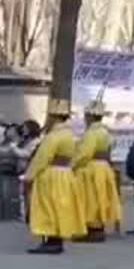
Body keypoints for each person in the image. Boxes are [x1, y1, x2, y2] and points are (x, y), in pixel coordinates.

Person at [23, 98, 86, 254]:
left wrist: (29, 175)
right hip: (65, 173)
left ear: (54, 117)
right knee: (60, 206)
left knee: (48, 206)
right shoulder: (69, 135)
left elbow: (42, 158)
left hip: (51, 174)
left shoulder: (53, 136)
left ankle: (50, 239)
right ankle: (56, 239)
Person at [74, 98, 122, 242]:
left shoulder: (91, 133)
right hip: (104, 167)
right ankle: (98, 227)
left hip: (92, 169)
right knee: (101, 198)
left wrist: (73, 165)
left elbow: (84, 153)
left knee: (91, 199)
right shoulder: (105, 132)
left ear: (89, 116)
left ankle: (93, 229)